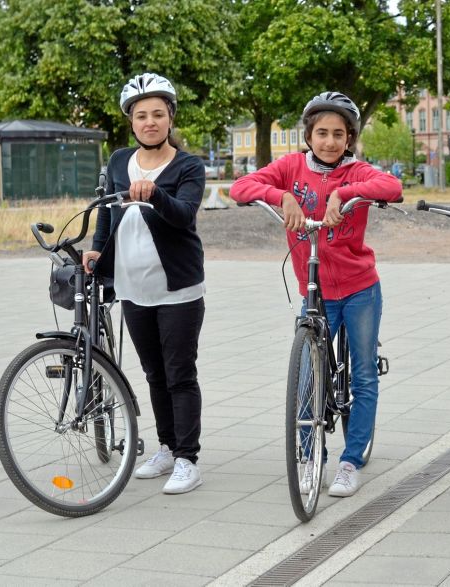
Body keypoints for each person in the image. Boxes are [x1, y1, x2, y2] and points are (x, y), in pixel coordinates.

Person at [230, 91, 402, 498]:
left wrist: (344, 194)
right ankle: (309, 454)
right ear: (308, 135)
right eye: (321, 133)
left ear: (350, 138)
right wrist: (281, 195)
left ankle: (350, 460)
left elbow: (391, 187)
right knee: (307, 375)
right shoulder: (291, 167)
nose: (329, 142)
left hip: (360, 287)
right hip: (315, 288)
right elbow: (241, 187)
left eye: (338, 134)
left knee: (362, 374)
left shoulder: (356, 171)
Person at [83, 73, 206, 494]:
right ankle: (167, 447)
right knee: (154, 373)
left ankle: (189, 458)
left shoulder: (188, 166)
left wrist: (154, 194)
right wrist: (96, 251)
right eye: (141, 116)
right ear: (131, 122)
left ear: (170, 118)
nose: (149, 122)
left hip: (178, 288)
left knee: (179, 374)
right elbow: (106, 214)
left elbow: (183, 215)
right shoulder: (118, 161)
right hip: (134, 287)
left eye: (158, 114)